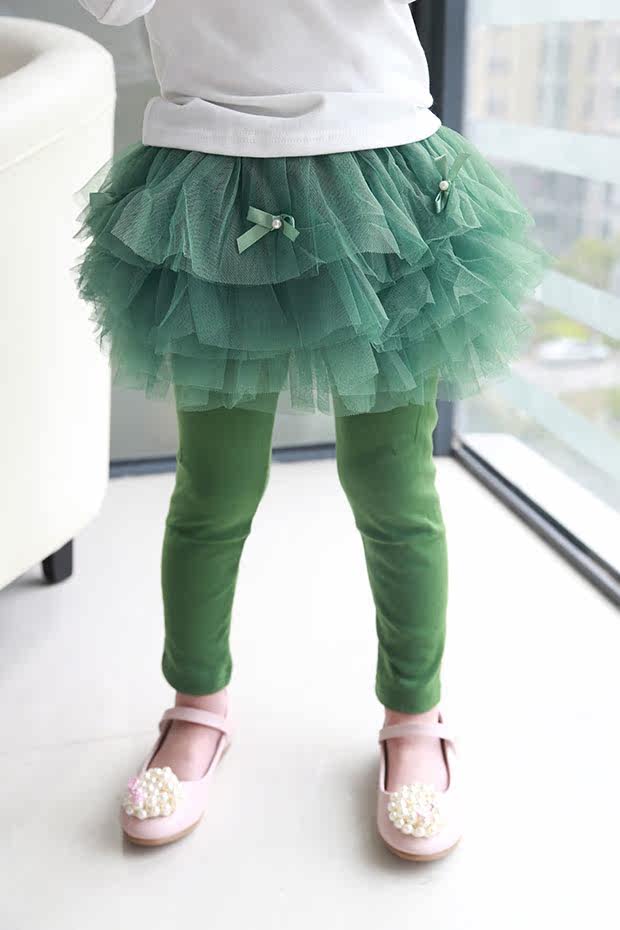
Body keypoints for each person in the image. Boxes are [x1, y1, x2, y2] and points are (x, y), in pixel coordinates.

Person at [75, 0, 548, 859]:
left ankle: (416, 717)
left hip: (378, 167)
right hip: (211, 177)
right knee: (213, 489)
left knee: (393, 483)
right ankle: (197, 706)